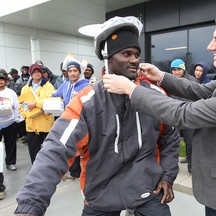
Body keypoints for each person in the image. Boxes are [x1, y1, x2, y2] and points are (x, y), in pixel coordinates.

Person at [103, 6, 216, 216]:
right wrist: (161, 76)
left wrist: (131, 90)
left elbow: (184, 114)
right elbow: (199, 90)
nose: (210, 46)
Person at [15, 16, 179, 216]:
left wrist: (168, 175)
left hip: (147, 191)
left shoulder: (154, 95)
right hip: (101, 195)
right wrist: (31, 204)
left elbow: (169, 136)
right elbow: (56, 149)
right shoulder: (86, 101)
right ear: (108, 58)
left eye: (137, 54)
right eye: (127, 53)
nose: (134, 60)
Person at [52, 60, 89, 181]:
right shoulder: (65, 85)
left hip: (82, 120)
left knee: (79, 145)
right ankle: (74, 171)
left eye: (75, 71)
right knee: (70, 144)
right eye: (70, 71)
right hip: (68, 120)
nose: (72, 73)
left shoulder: (86, 85)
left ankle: (77, 172)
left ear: (79, 72)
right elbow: (55, 95)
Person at [19, 63, 55, 164]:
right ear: (31, 73)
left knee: (49, 150)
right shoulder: (25, 88)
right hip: (31, 125)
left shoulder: (49, 86)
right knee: (33, 151)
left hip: (46, 124)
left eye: (38, 71)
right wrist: (26, 115)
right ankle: (36, 169)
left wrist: (35, 104)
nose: (36, 73)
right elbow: (21, 105)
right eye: (34, 72)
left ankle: (48, 168)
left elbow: (50, 102)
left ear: (42, 73)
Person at [169, 59, 197, 174]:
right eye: (173, 70)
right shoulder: (169, 81)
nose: (176, 72)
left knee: (190, 143)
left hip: (188, 117)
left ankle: (192, 169)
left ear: (183, 69)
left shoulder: (192, 81)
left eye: (178, 69)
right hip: (174, 117)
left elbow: (196, 98)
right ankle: (171, 168)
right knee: (172, 143)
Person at [0, 72, 23, 171]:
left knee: (11, 145)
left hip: (9, 123)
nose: (0, 81)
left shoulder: (11, 93)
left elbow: (17, 107)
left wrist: (16, 119)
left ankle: (10, 162)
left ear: (5, 81)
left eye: (2, 79)